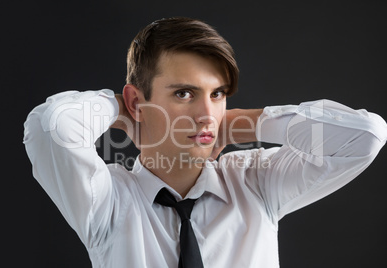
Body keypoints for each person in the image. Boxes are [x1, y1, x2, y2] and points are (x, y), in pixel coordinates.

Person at [23, 17, 387, 268]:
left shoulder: (257, 182)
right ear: (137, 101)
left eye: (218, 94)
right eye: (184, 93)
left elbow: (365, 136)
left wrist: (239, 124)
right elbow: (50, 127)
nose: (206, 113)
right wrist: (118, 111)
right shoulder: (107, 201)